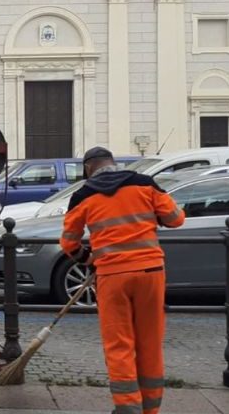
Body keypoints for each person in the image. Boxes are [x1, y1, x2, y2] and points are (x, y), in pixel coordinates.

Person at [60, 147, 184, 414]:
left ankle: (127, 407)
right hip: (151, 272)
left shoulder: (83, 195)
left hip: (112, 276)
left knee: (119, 344)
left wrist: (90, 259)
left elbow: (69, 243)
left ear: (88, 169)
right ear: (113, 164)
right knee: (150, 343)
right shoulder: (144, 183)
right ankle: (151, 409)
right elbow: (176, 220)